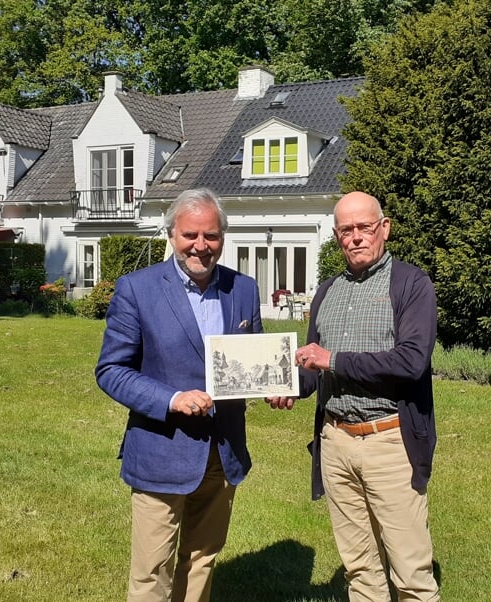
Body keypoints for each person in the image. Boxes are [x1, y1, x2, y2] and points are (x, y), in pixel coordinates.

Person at [267, 191, 441, 601]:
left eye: (365, 227)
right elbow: (315, 370)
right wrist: (290, 386)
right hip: (336, 443)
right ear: (337, 236)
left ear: (384, 229)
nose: (356, 237)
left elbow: (411, 361)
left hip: (389, 441)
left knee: (410, 570)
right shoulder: (328, 291)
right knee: (360, 567)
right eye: (347, 230)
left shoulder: (411, 284)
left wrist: (333, 361)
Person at [96, 187, 262, 602]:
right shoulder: (138, 288)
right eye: (191, 236)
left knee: (203, 558)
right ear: (172, 234)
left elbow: (254, 359)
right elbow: (111, 370)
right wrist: (170, 399)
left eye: (211, 236)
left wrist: (273, 387)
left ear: (222, 237)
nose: (201, 247)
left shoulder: (243, 289)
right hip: (161, 450)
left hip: (222, 452)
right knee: (152, 571)